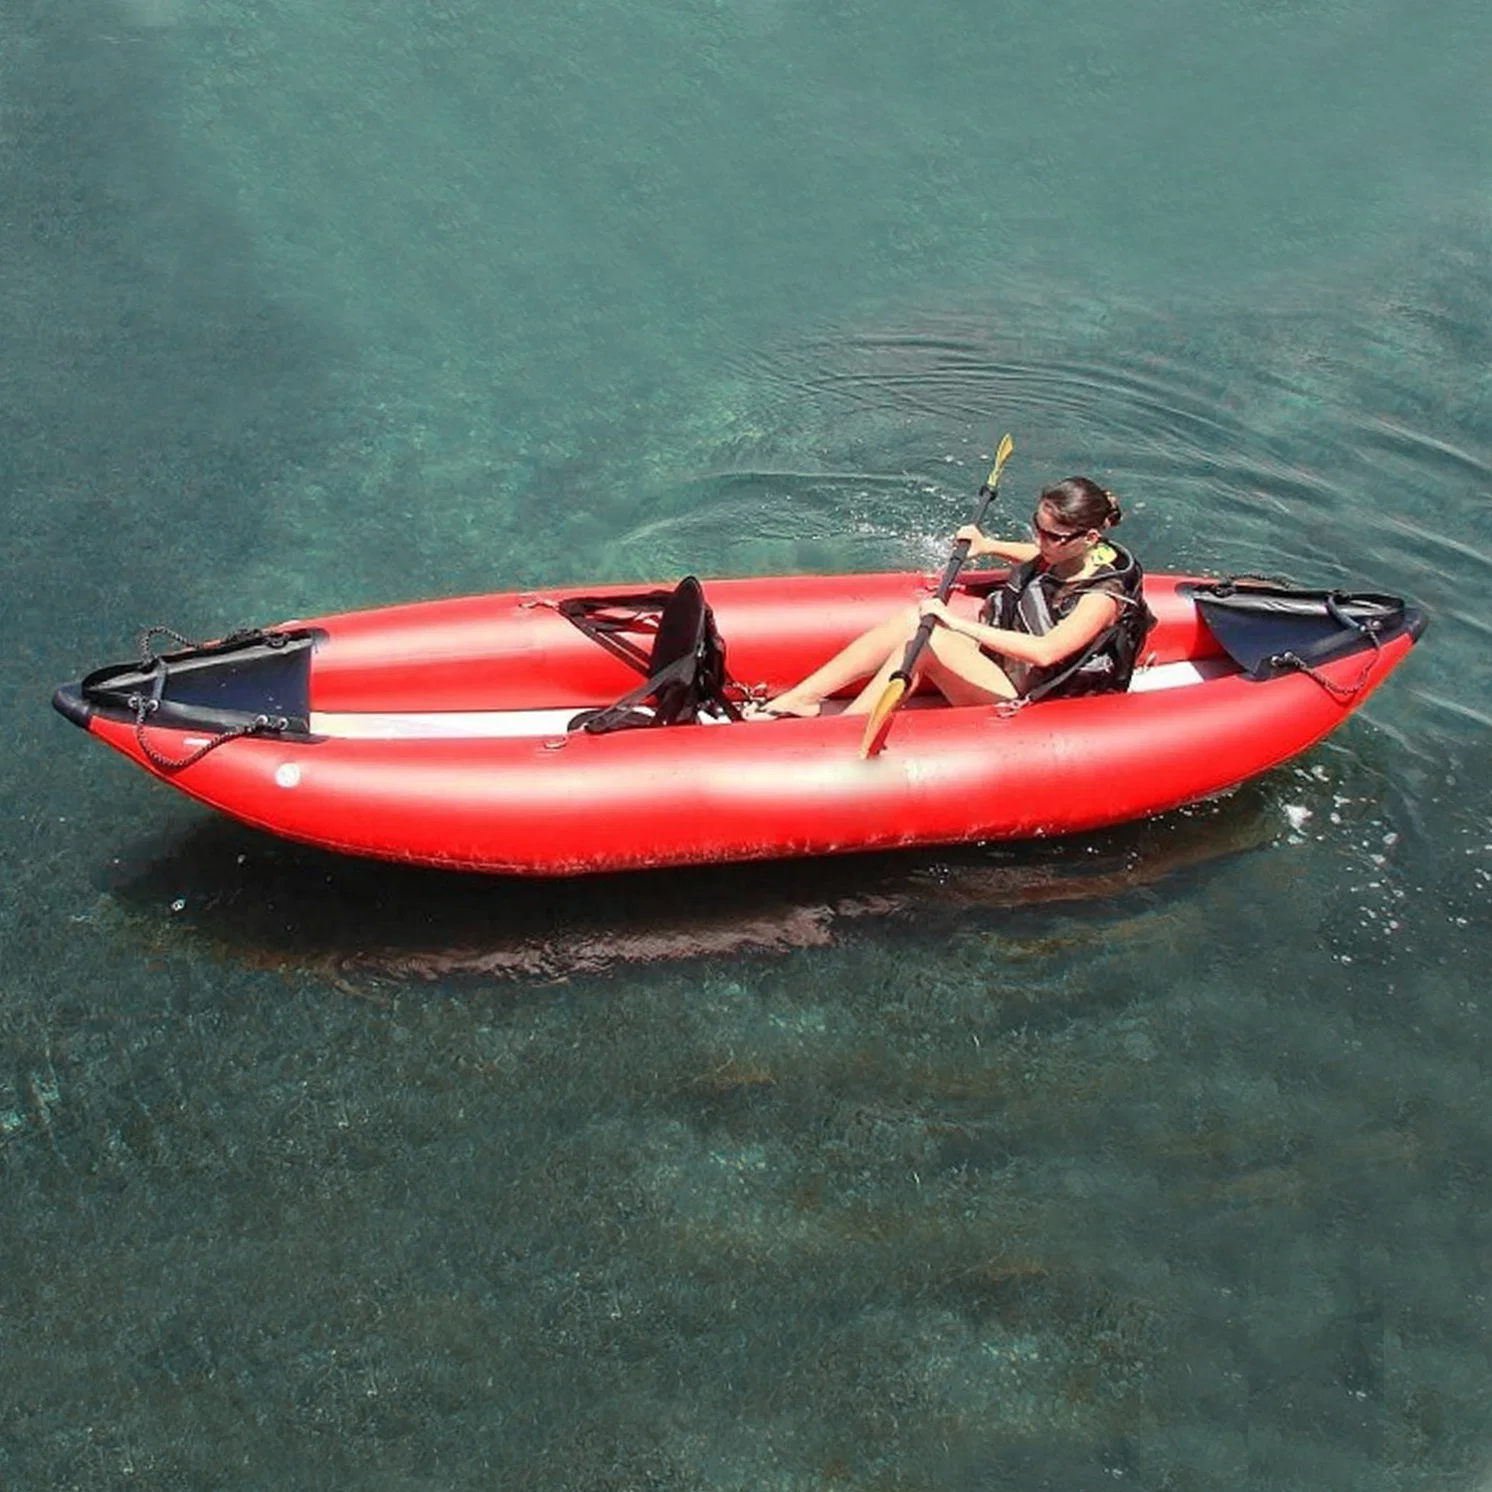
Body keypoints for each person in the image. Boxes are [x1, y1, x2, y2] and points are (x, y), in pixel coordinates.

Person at [751, 477, 1149, 717]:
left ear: (1090, 537)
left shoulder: (1102, 596)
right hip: (1006, 667)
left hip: (1033, 694)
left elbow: (1046, 651)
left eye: (1051, 535)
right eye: (1037, 527)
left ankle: (847, 730)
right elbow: (1045, 557)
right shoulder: (1081, 551)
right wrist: (988, 544)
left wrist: (954, 622)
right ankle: (803, 698)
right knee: (914, 620)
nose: (1038, 540)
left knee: (932, 640)